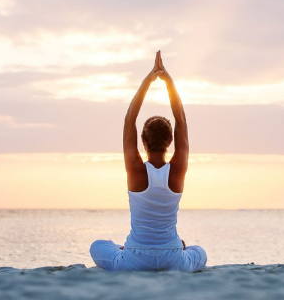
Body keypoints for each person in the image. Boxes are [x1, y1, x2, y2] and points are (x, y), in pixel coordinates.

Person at [89, 51, 207, 272]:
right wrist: (168, 81)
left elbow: (129, 118)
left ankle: (123, 249)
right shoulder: (177, 170)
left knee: (97, 246)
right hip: (173, 257)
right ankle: (175, 248)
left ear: (142, 140)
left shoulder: (135, 170)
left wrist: (148, 81)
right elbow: (180, 117)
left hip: (135, 258)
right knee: (200, 252)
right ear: (170, 141)